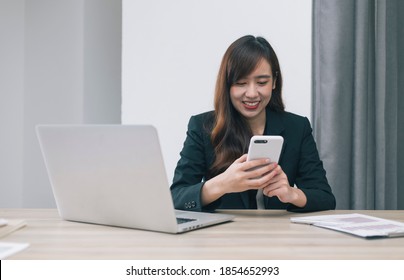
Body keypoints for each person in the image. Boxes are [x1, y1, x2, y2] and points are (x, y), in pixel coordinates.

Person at [170, 35, 336, 212]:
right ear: (227, 85)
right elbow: (176, 198)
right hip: (224, 236)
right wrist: (222, 184)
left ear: (274, 82)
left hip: (280, 235)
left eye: (262, 82)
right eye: (241, 83)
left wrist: (291, 193)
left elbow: (325, 199)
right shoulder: (202, 126)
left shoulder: (297, 127)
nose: (251, 93)